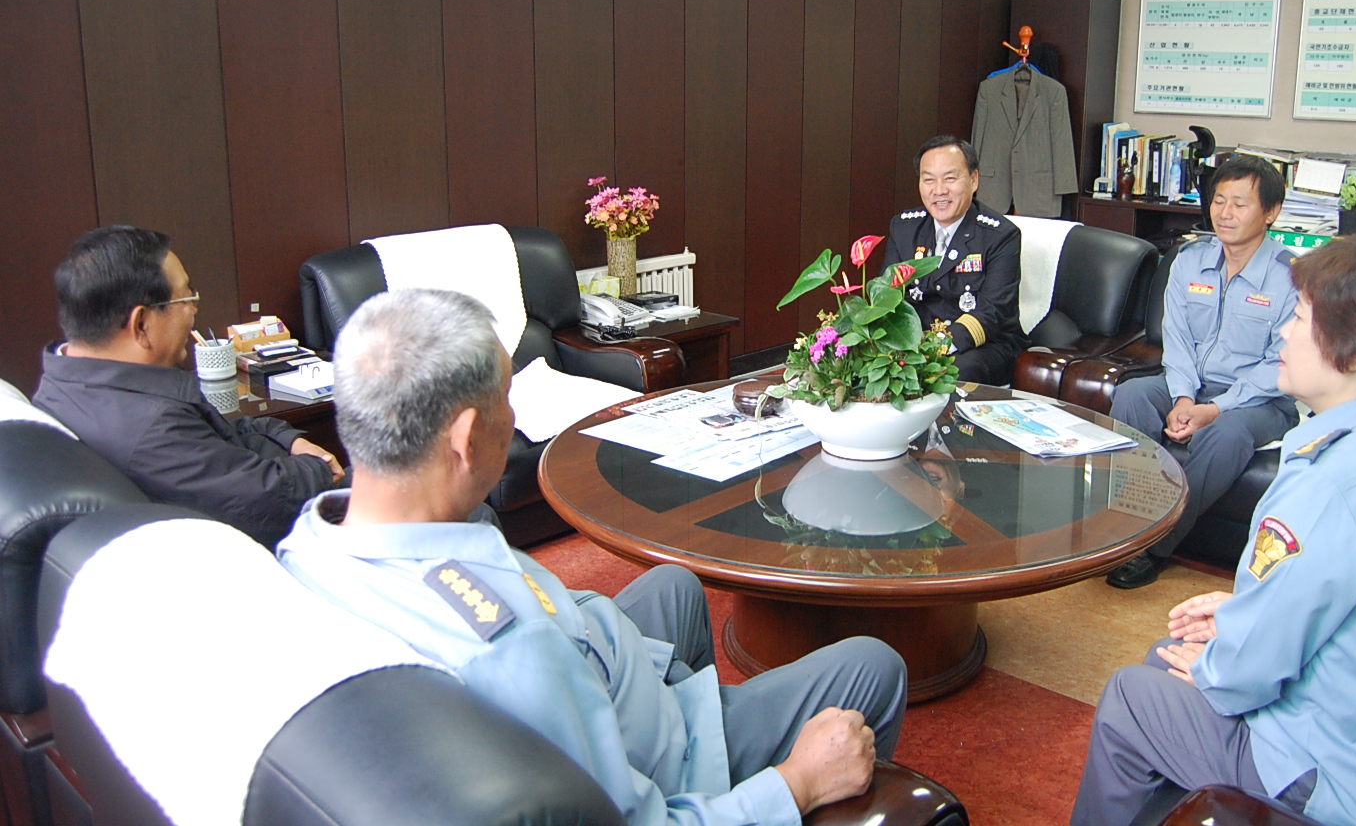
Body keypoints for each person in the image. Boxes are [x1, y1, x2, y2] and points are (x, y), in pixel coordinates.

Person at [277, 288, 908, 826]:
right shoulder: (512, 646)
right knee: (872, 666)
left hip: (602, 681)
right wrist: (798, 785)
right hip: (653, 764)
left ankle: (707, 721)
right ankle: (723, 764)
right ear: (465, 439)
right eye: (507, 398)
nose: (514, 416)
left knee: (675, 584)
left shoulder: (309, 543)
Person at [1071, 236, 1356, 826]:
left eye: (1300, 318)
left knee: (1134, 695)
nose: (1285, 333)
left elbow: (1249, 673)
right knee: (1168, 659)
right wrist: (1243, 614)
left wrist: (1225, 656)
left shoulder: (1331, 483)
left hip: (1339, 776)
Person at [32, 225, 343, 547]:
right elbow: (266, 501)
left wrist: (290, 440)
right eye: (186, 298)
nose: (194, 308)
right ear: (141, 324)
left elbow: (226, 432)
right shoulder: (151, 426)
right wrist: (318, 468)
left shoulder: (66, 382)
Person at [1105, 155, 1298, 588]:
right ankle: (1126, 526)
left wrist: (1216, 408)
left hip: (1260, 401)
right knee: (1131, 395)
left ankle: (1155, 545)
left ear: (1270, 212)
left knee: (1225, 433)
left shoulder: (1291, 278)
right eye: (1218, 201)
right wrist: (1184, 398)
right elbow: (1176, 341)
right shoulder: (1189, 261)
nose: (1225, 213)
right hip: (1190, 384)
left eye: (1240, 204)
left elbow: (1281, 364)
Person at [885, 135, 1026, 386]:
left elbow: (993, 312)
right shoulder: (904, 228)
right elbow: (888, 295)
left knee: (952, 373)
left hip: (984, 344)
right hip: (916, 342)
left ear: (974, 180)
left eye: (950, 178)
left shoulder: (1001, 235)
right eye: (929, 179)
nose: (939, 190)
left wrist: (936, 347)